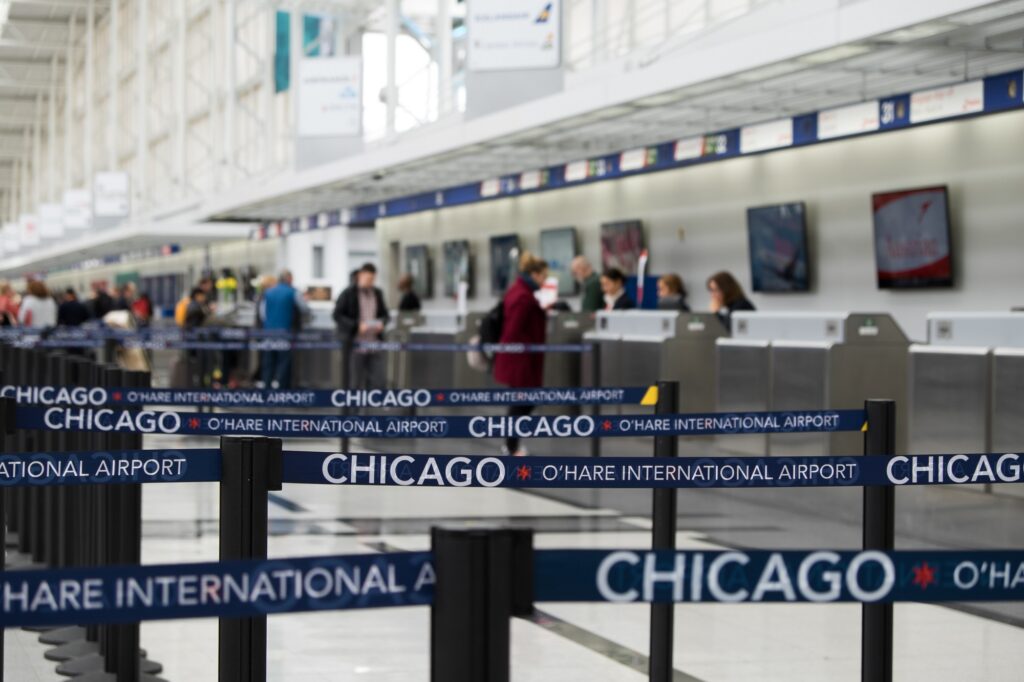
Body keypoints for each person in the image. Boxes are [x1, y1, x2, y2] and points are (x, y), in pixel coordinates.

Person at [493, 252, 551, 457]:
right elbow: (514, 330)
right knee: (522, 403)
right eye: (543, 276)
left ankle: (512, 445)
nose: (544, 280)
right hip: (521, 360)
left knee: (523, 402)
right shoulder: (523, 296)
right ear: (534, 274)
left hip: (523, 358)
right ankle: (511, 447)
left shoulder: (519, 291)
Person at [333, 263, 389, 391]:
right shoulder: (348, 293)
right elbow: (337, 315)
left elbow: (385, 315)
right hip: (355, 344)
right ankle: (353, 410)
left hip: (374, 344)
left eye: (373, 279)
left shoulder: (377, 293)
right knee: (354, 383)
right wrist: (356, 326)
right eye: (368, 279)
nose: (371, 282)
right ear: (360, 275)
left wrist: (382, 323)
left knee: (377, 381)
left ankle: (371, 410)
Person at [258, 270, 309, 389]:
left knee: (268, 362)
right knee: (284, 362)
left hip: (268, 332)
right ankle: (282, 391)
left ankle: (266, 389)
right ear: (290, 279)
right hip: (286, 333)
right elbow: (305, 309)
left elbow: (262, 313)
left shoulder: (268, 292)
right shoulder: (293, 292)